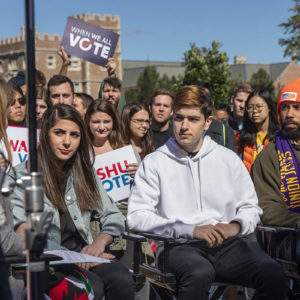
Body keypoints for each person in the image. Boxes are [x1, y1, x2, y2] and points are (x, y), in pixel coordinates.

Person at [127, 85, 288, 300]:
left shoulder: (228, 159)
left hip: (229, 245)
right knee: (199, 273)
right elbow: (137, 217)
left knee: (273, 273)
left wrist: (235, 225)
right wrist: (190, 229)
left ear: (208, 122)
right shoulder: (155, 162)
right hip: (178, 247)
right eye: (179, 118)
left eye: (193, 119)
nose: (184, 126)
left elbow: (251, 207)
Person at [10, 104, 135, 300]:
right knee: (89, 288)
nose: (67, 142)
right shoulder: (21, 177)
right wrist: (78, 258)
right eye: (59, 133)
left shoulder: (83, 172)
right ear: (44, 134)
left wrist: (100, 243)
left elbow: (112, 213)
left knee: (122, 279)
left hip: (85, 256)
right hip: (48, 262)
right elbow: (24, 235)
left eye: (74, 135)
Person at [252, 77, 300, 227]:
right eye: (285, 107)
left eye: (297, 107)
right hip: (291, 241)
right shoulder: (268, 157)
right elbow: (267, 207)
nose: (289, 114)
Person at [237, 89, 279, 173]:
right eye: (250, 107)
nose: (254, 111)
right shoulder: (241, 137)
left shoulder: (280, 136)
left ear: (269, 107)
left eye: (259, 107)